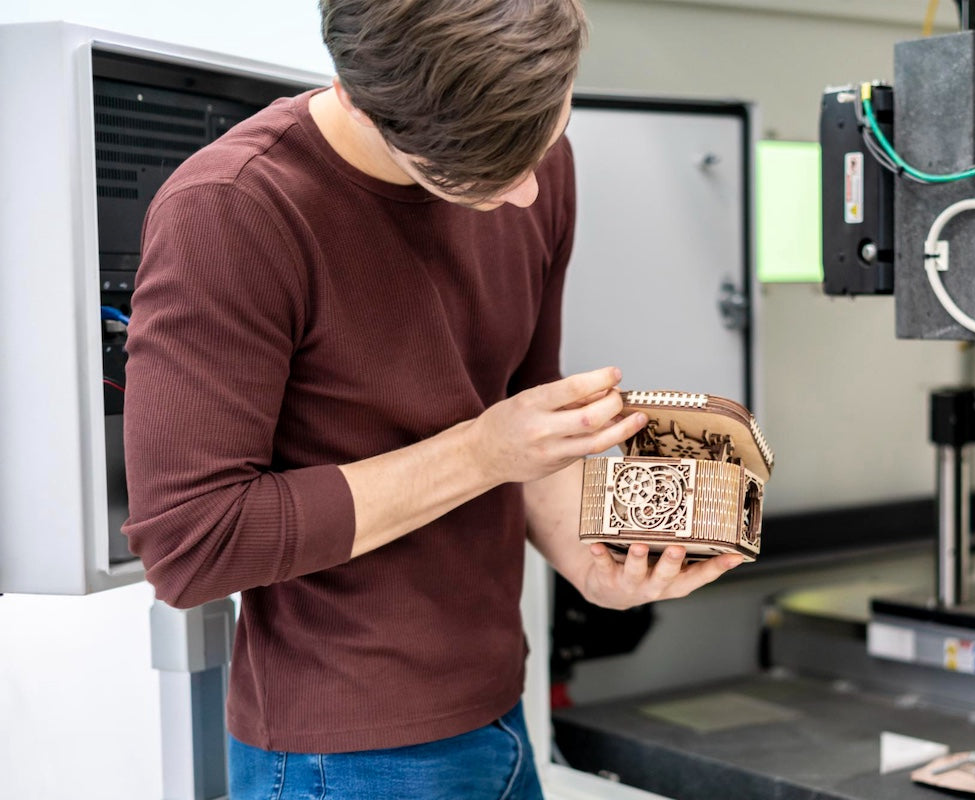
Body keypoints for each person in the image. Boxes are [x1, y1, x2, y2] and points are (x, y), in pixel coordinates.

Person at [122, 1, 744, 797]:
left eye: (545, 139)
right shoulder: (233, 211)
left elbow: (524, 408)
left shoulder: (536, 158)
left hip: (498, 710)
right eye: (484, 178)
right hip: (339, 757)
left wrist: (591, 562)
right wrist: (482, 451)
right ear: (359, 99)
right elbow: (190, 544)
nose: (525, 194)